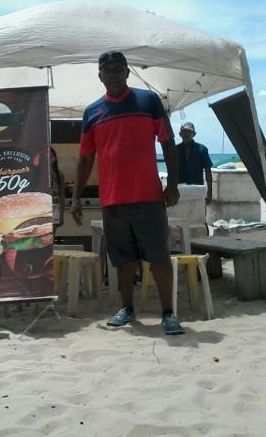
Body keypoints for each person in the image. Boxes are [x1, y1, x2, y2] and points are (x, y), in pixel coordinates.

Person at [71, 50, 185, 335]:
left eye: (118, 69)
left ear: (127, 72)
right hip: (112, 201)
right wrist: (75, 196)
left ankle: (169, 314)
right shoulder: (92, 112)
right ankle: (127, 309)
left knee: (159, 257)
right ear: (100, 76)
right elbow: (85, 157)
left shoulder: (148, 101)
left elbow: (168, 143)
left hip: (148, 196)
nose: (113, 74)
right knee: (121, 260)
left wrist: (172, 184)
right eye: (107, 70)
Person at [176, 122, 213, 204]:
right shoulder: (175, 149)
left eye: (189, 132)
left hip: (197, 189)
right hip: (179, 189)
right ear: (180, 134)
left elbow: (208, 171)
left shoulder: (202, 149)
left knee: (198, 215)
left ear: (194, 134)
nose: (186, 134)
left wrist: (209, 193)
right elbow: (171, 170)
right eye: (184, 132)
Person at [50, 146, 65, 235]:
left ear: (55, 158)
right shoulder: (38, 173)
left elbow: (62, 195)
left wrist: (61, 215)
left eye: (51, 155)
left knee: (52, 237)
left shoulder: (59, 174)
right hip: (42, 209)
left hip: (55, 207)